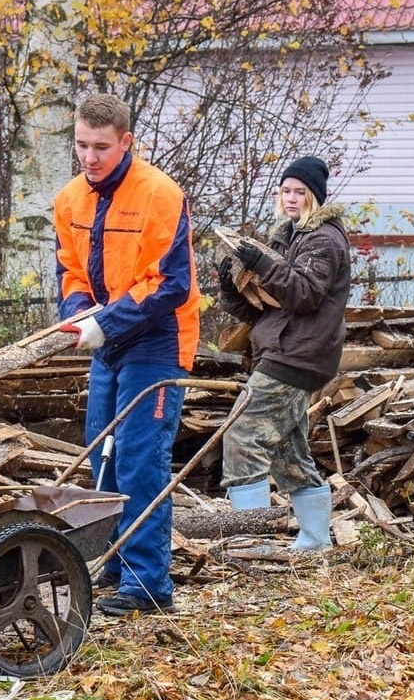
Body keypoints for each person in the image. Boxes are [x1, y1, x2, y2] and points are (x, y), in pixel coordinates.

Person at [54, 93, 200, 616]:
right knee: (102, 452)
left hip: (157, 339)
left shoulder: (159, 194)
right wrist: (78, 314)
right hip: (106, 337)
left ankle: (146, 584)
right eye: (81, 145)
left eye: (101, 147)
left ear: (126, 143)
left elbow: (170, 284)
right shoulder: (71, 198)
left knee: (140, 460)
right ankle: (113, 562)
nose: (90, 158)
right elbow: (70, 270)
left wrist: (106, 322)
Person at [217, 156, 351, 551]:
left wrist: (262, 262)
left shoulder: (323, 240)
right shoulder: (288, 237)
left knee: (242, 439)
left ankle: (253, 545)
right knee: (287, 453)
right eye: (286, 191)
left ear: (315, 197)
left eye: (300, 192)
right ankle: (313, 542)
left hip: (295, 356)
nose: (291, 199)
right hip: (288, 351)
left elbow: (304, 295)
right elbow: (262, 310)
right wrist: (229, 285)